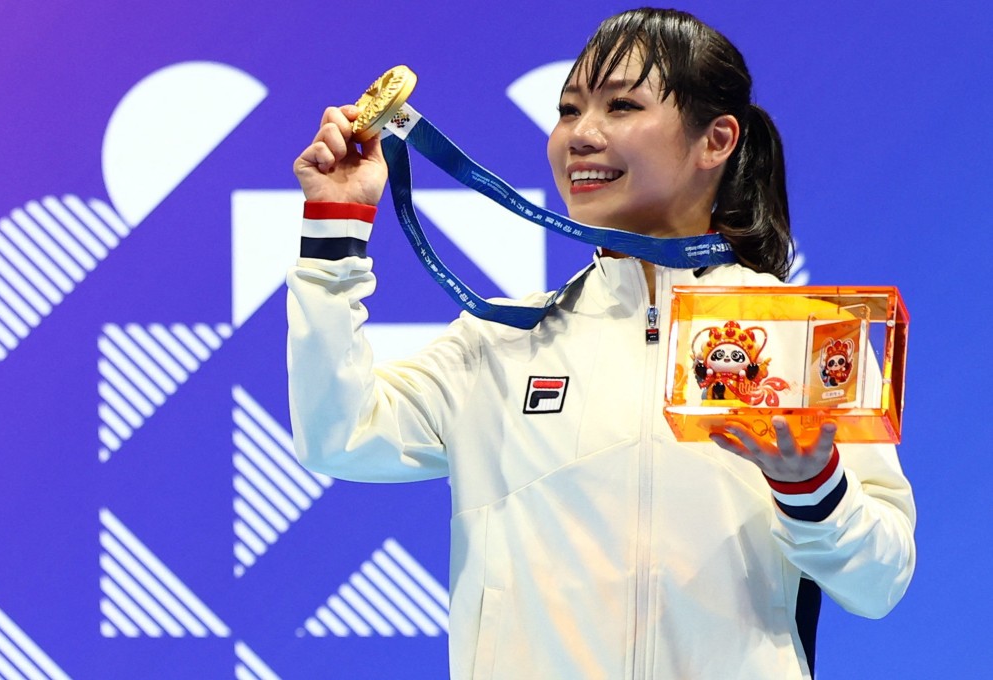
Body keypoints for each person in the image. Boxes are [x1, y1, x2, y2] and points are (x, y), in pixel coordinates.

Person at [287, 8, 915, 679]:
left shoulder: (801, 339)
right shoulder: (500, 343)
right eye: (568, 110)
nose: (581, 135)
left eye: (622, 106)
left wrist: (813, 488)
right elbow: (336, 433)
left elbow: (880, 584)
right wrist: (335, 229)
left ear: (717, 139)